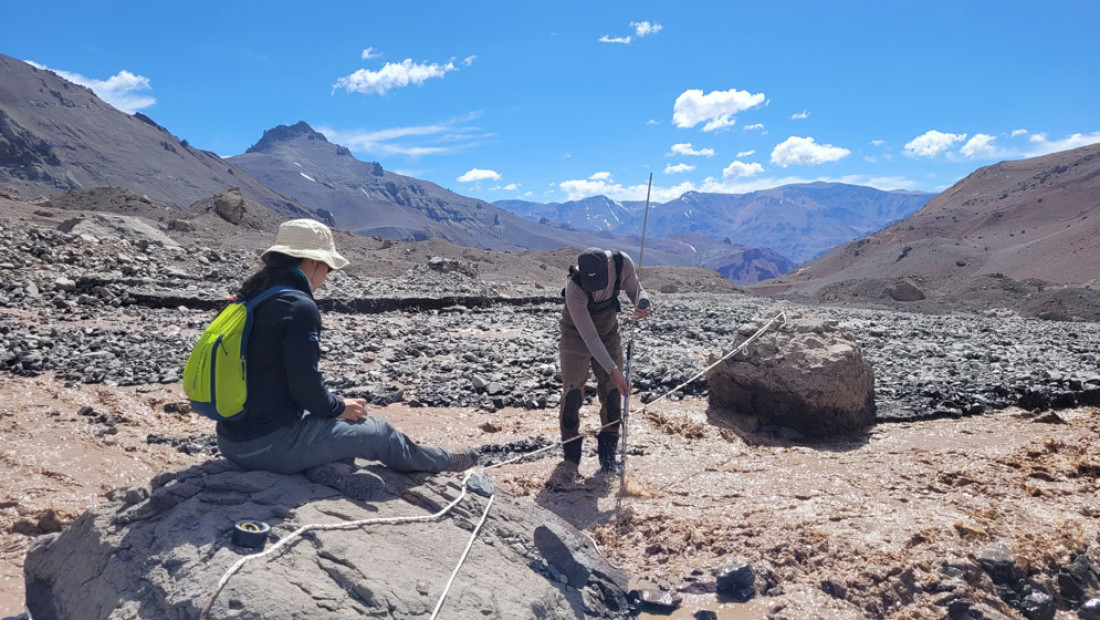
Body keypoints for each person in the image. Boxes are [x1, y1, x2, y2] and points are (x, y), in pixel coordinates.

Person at [215, 218, 477, 476]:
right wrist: (338, 408)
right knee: (380, 432)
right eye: (328, 268)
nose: (326, 277)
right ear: (314, 262)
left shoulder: (249, 297)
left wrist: (336, 405)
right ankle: (442, 461)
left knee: (335, 415)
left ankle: (325, 469)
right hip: (269, 448)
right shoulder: (297, 306)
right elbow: (304, 385)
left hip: (232, 441)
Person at [557, 247, 650, 477]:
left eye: (599, 282)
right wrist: (614, 370)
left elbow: (635, 289)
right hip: (575, 336)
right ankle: (571, 460)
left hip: (609, 333)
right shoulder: (574, 287)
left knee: (612, 393)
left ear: (608, 266)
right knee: (572, 396)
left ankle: (607, 457)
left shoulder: (622, 263)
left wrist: (643, 302)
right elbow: (589, 337)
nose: (595, 289)